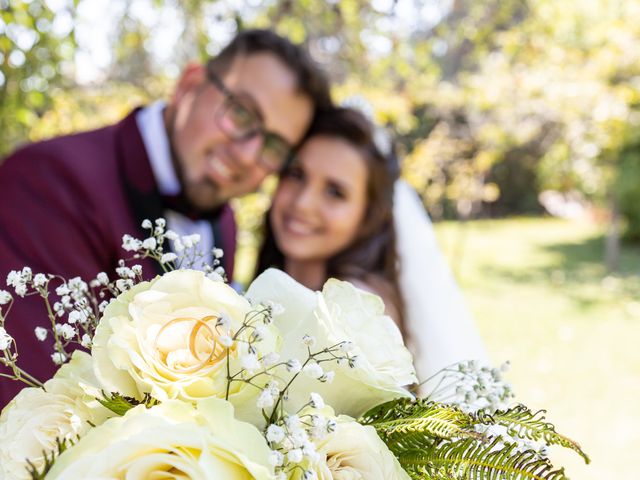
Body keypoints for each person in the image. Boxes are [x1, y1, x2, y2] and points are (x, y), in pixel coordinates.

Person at [0, 29, 332, 405]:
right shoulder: (49, 180)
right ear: (189, 85)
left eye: (274, 146)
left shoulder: (225, 223)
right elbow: (28, 403)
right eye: (241, 112)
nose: (247, 154)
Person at [254, 106, 487, 384]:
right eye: (296, 174)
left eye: (335, 192)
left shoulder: (359, 315)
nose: (302, 203)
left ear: (367, 216)